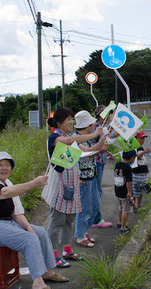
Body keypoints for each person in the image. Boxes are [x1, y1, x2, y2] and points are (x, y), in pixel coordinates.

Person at [0, 152, 68, 289]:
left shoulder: (8, 183)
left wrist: (29, 228)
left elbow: (17, 213)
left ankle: (47, 271)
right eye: (0, 165)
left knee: (39, 232)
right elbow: (5, 193)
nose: (4, 168)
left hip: (6, 223)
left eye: (7, 165)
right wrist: (34, 183)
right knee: (29, 239)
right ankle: (38, 284)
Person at [44, 107, 103, 268]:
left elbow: (87, 152)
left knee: (69, 220)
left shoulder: (69, 137)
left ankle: (67, 250)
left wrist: (103, 141)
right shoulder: (54, 138)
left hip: (72, 183)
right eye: (69, 119)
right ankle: (53, 254)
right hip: (59, 185)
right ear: (59, 122)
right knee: (56, 221)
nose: (72, 122)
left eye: (72, 119)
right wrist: (94, 135)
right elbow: (70, 142)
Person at [74, 110, 109, 247]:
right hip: (83, 178)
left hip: (91, 175)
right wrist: (101, 143)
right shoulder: (75, 138)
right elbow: (86, 153)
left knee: (95, 206)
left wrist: (101, 146)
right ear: (87, 125)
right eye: (90, 123)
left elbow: (90, 153)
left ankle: (84, 231)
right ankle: (80, 235)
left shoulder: (86, 137)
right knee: (84, 208)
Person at [91, 105, 115, 229]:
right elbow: (93, 146)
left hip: (100, 161)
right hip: (96, 162)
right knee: (96, 191)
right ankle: (96, 220)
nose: (110, 115)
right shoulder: (96, 127)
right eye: (108, 113)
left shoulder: (100, 127)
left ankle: (94, 218)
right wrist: (103, 149)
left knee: (96, 191)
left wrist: (106, 152)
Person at [114, 150, 137, 233]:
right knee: (126, 210)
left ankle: (119, 222)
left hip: (118, 190)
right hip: (125, 192)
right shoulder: (128, 168)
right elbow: (129, 182)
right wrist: (130, 193)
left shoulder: (118, 164)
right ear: (132, 158)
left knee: (120, 207)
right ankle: (123, 227)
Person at [132, 131, 151, 212]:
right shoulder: (133, 147)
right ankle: (133, 207)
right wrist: (144, 152)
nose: (142, 140)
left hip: (143, 172)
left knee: (141, 191)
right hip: (137, 172)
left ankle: (138, 206)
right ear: (136, 138)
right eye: (140, 138)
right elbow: (135, 158)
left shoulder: (140, 147)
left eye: (143, 138)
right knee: (135, 191)